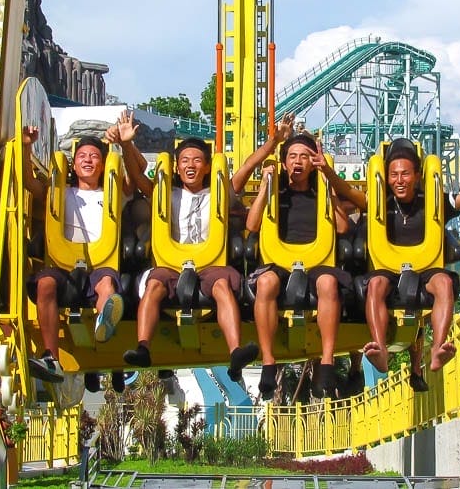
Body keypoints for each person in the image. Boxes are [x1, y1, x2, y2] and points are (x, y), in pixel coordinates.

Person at [334, 139, 460, 388]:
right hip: (388, 269)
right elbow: (348, 194)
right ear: (386, 177)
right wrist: (326, 173)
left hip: (425, 269)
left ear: (417, 175)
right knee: (375, 284)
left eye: (405, 174)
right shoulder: (379, 201)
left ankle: (439, 347)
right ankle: (379, 349)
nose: (399, 180)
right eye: (394, 175)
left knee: (443, 281)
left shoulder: (434, 199)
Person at [111, 112, 259, 381]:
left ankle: (235, 350)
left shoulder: (219, 193)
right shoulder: (166, 192)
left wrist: (273, 143)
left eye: (197, 161)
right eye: (184, 161)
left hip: (210, 265)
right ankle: (143, 346)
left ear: (206, 167)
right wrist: (126, 145)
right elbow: (139, 179)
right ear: (177, 167)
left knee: (222, 285)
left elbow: (247, 167)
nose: (190, 166)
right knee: (155, 284)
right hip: (170, 264)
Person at [246, 133, 353, 398]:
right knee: (266, 282)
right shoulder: (276, 191)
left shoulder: (321, 191)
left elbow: (342, 227)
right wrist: (264, 187)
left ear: (313, 162)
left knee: (328, 283)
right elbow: (251, 225)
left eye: (304, 157)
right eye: (292, 157)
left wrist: (329, 189)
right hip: (278, 260)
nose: (298, 162)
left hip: (317, 260)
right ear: (284, 163)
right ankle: (268, 362)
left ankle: (327, 361)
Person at [22, 127, 131, 383]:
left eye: (94, 156)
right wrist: (27, 146)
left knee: (106, 284)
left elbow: (132, 183)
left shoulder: (112, 195)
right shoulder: (60, 193)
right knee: (45, 283)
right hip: (64, 264)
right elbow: (29, 181)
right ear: (74, 163)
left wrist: (124, 146)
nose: (88, 160)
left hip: (100, 263)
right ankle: (52, 358)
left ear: (103, 165)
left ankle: (103, 325)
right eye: (83, 156)